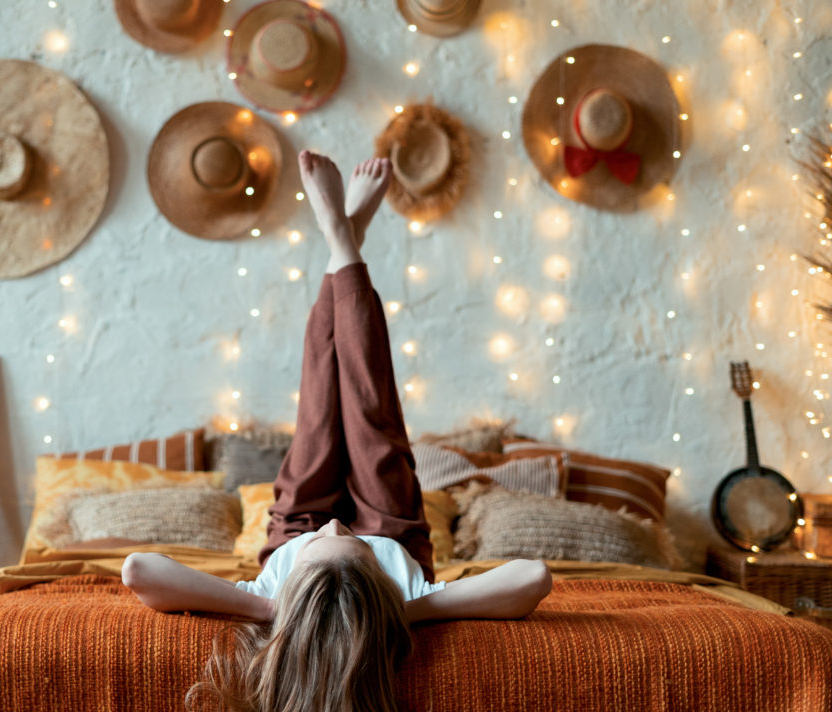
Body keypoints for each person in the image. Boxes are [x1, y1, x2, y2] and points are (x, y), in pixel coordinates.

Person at [121, 149, 553, 712]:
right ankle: (343, 238)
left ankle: (343, 237)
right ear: (377, 583)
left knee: (319, 404)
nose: (333, 525)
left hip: (286, 533)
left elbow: (139, 571)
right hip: (394, 530)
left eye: (324, 545)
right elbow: (534, 577)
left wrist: (277, 606)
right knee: (370, 405)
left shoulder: (280, 588)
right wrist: (401, 606)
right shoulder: (400, 590)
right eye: (348, 544)